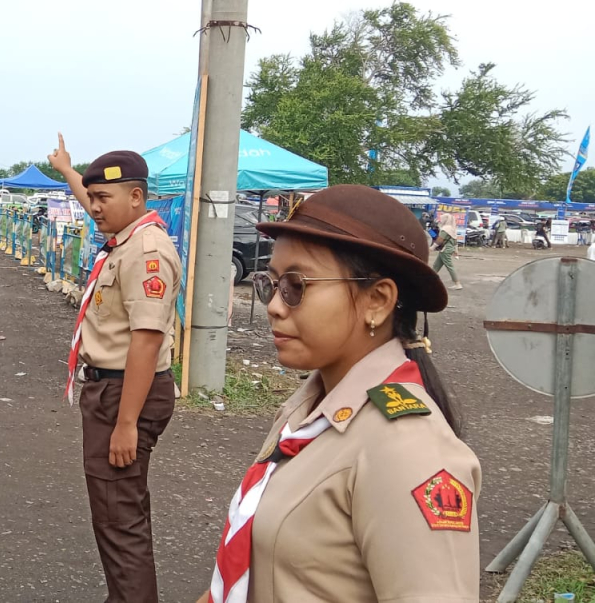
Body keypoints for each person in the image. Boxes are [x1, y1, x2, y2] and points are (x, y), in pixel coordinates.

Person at [197, 185, 480, 603]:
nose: (275, 305)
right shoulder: (310, 409)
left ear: (378, 301)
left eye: (295, 285)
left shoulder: (409, 450)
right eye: (270, 284)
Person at [48, 134, 182, 603]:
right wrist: (68, 171)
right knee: (117, 510)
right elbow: (98, 202)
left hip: (126, 394)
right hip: (113, 392)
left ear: (137, 197)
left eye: (104, 198)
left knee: (118, 517)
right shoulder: (125, 236)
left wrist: (127, 422)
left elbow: (147, 341)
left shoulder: (146, 252)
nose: (95, 207)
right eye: (94, 197)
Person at [431, 213, 462, 291]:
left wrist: (433, 247)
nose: (441, 220)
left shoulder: (446, 229)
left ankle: (457, 283)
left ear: (446, 219)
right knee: (436, 266)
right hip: (448, 249)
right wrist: (456, 250)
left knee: (449, 266)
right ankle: (429, 281)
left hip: (445, 249)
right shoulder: (452, 228)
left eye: (442, 218)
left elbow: (440, 239)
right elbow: (455, 241)